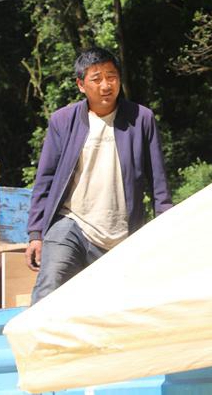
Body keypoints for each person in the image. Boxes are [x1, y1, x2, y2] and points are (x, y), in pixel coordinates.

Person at [25, 47, 173, 304]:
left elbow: (158, 181)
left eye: (111, 77)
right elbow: (45, 179)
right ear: (81, 85)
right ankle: (34, 332)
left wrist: (167, 227)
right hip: (72, 224)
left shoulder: (141, 119)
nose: (106, 85)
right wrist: (36, 234)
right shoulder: (63, 121)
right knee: (49, 287)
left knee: (118, 306)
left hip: (122, 234)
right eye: (97, 79)